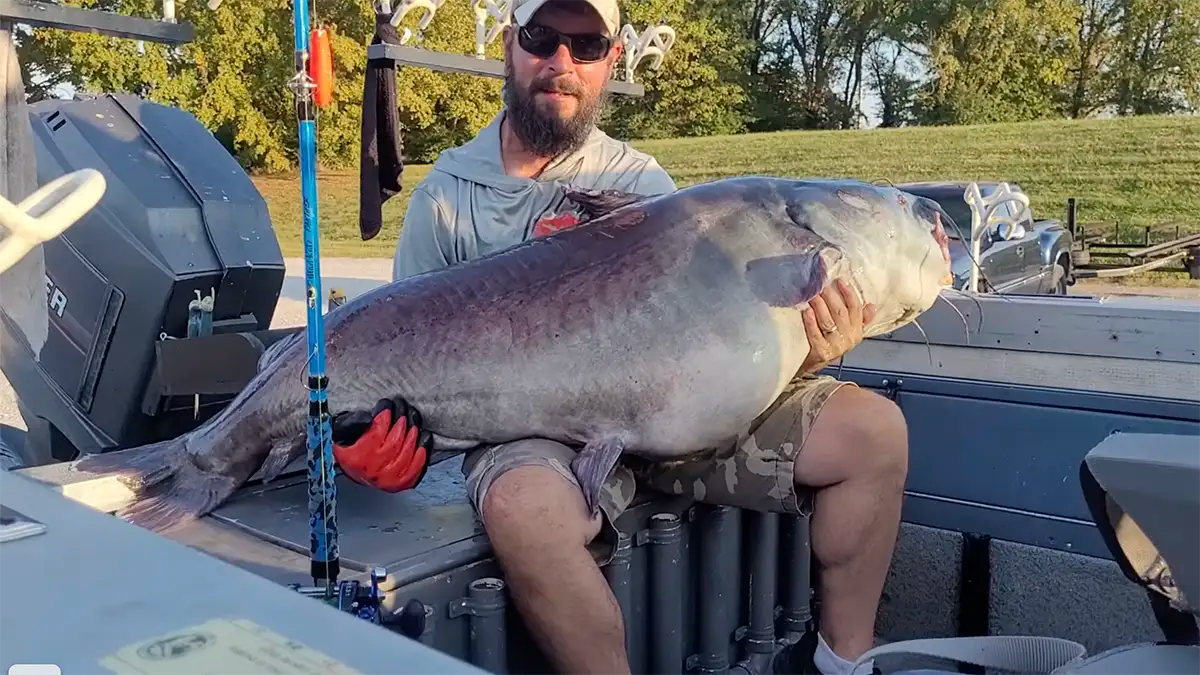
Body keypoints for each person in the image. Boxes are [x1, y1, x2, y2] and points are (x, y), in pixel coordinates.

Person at [331, 1, 908, 674]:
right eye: (542, 38)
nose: (561, 64)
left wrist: (814, 347)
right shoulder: (446, 198)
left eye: (586, 44)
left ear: (611, 60)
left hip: (678, 408)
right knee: (523, 509)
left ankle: (843, 663)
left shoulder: (646, 186)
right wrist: (366, 435)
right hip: (533, 430)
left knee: (876, 433)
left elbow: (727, 343)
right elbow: (394, 353)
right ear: (509, 48)